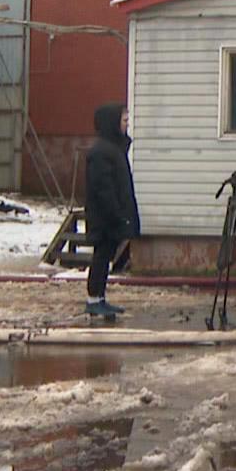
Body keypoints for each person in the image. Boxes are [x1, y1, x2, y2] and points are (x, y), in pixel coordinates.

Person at [84, 104, 139, 318]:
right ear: (112, 123)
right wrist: (116, 214)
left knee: (106, 257)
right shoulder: (102, 152)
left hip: (112, 216)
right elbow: (103, 188)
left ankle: (100, 298)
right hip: (104, 217)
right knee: (101, 257)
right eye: (124, 121)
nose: (127, 125)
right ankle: (93, 299)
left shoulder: (113, 149)